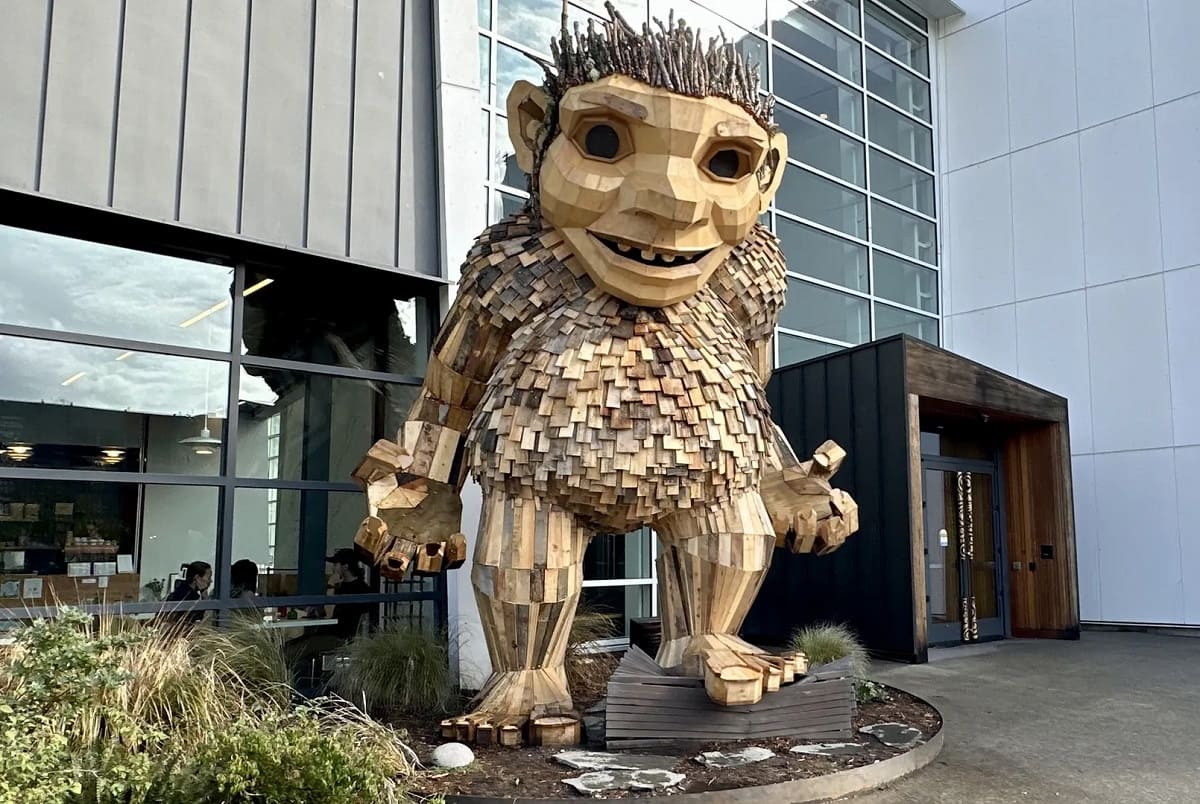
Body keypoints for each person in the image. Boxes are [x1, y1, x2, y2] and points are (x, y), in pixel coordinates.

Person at [324, 548, 372, 639]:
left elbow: (329, 614)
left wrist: (331, 585)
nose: (333, 568)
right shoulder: (341, 585)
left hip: (341, 635)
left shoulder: (360, 588)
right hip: (332, 631)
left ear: (345, 566)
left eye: (335, 565)